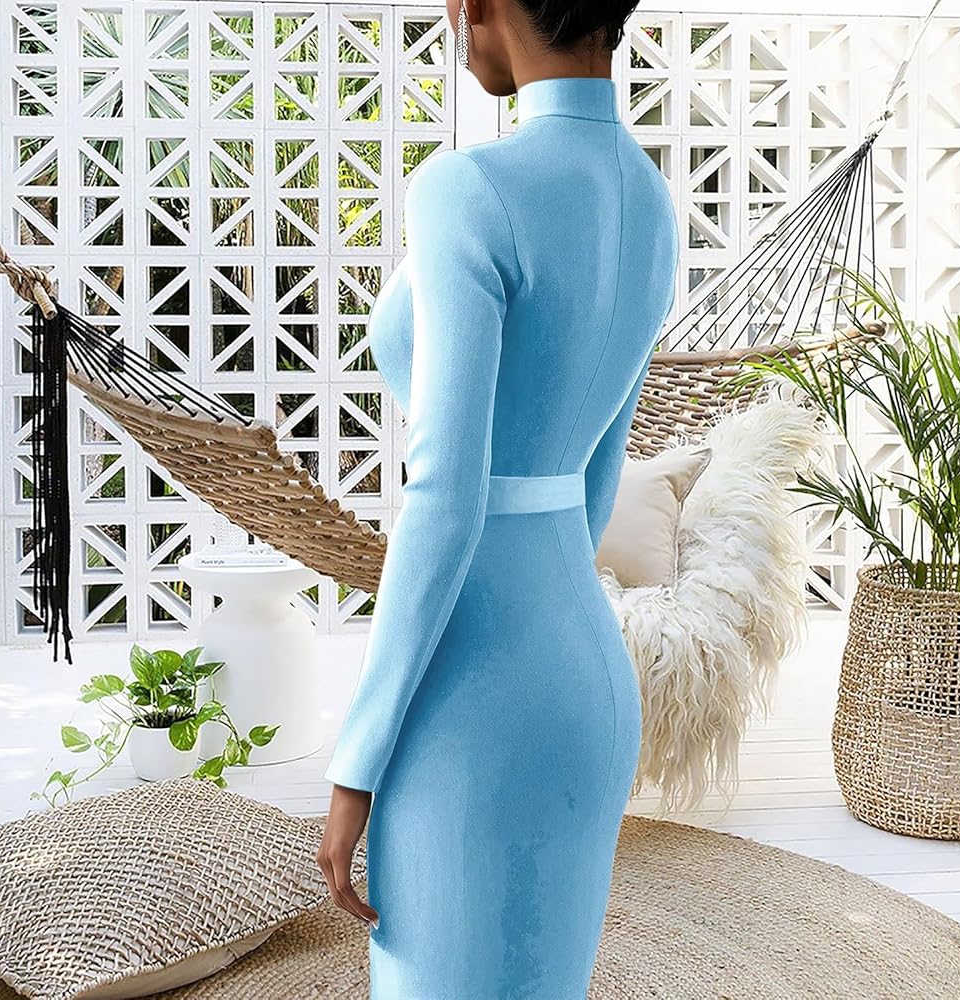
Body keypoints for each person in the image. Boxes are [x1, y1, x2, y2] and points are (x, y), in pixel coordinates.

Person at [317, 0, 678, 995]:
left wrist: (355, 764)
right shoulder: (650, 199)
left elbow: (445, 494)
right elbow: (597, 477)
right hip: (586, 679)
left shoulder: (465, 188)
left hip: (472, 700)